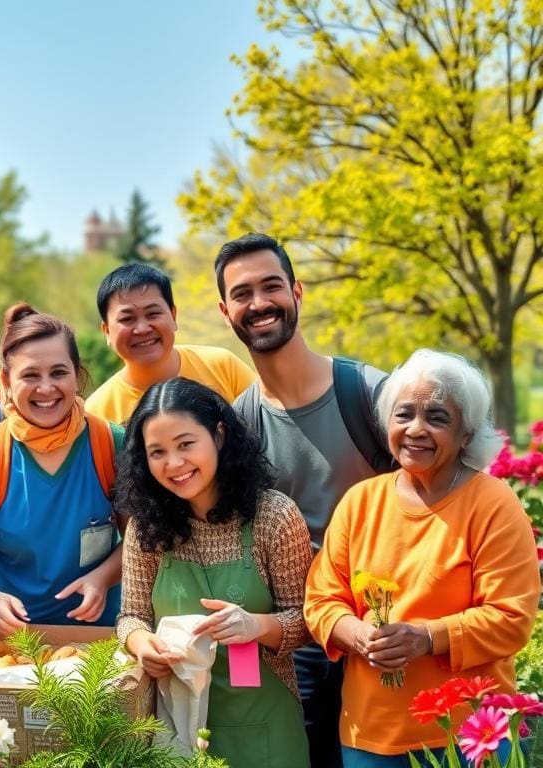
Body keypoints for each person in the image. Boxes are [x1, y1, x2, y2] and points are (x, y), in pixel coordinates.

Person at [305, 349, 539, 767]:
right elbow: (321, 600)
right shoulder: (361, 502)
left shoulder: (493, 504)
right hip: (370, 736)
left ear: (465, 433)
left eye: (437, 417)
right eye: (404, 414)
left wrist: (427, 638)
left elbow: (511, 619)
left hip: (470, 736)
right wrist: (355, 633)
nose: (416, 429)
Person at [216, 231, 395, 768]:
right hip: (301, 646)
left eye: (271, 286)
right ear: (225, 312)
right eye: (242, 294)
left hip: (386, 631)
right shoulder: (238, 426)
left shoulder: (370, 394)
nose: (259, 302)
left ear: (298, 292)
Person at [115, 377, 311, 767]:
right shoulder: (146, 527)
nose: (174, 464)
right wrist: (142, 646)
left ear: (218, 435)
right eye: (157, 452)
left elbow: (308, 621)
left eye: (186, 444)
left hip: (265, 727)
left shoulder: (275, 516)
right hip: (176, 722)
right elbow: (130, 617)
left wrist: (255, 626)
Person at [0, 303, 123, 634]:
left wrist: (103, 578)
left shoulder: (111, 444)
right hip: (18, 642)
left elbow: (140, 537)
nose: (45, 389)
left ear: (77, 374)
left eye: (58, 372)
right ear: (7, 380)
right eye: (30, 375)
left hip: (104, 635)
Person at [85, 262, 255, 425]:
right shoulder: (96, 413)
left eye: (152, 313)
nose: (143, 329)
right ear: (106, 330)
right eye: (127, 319)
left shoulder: (222, 365)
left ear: (173, 316)